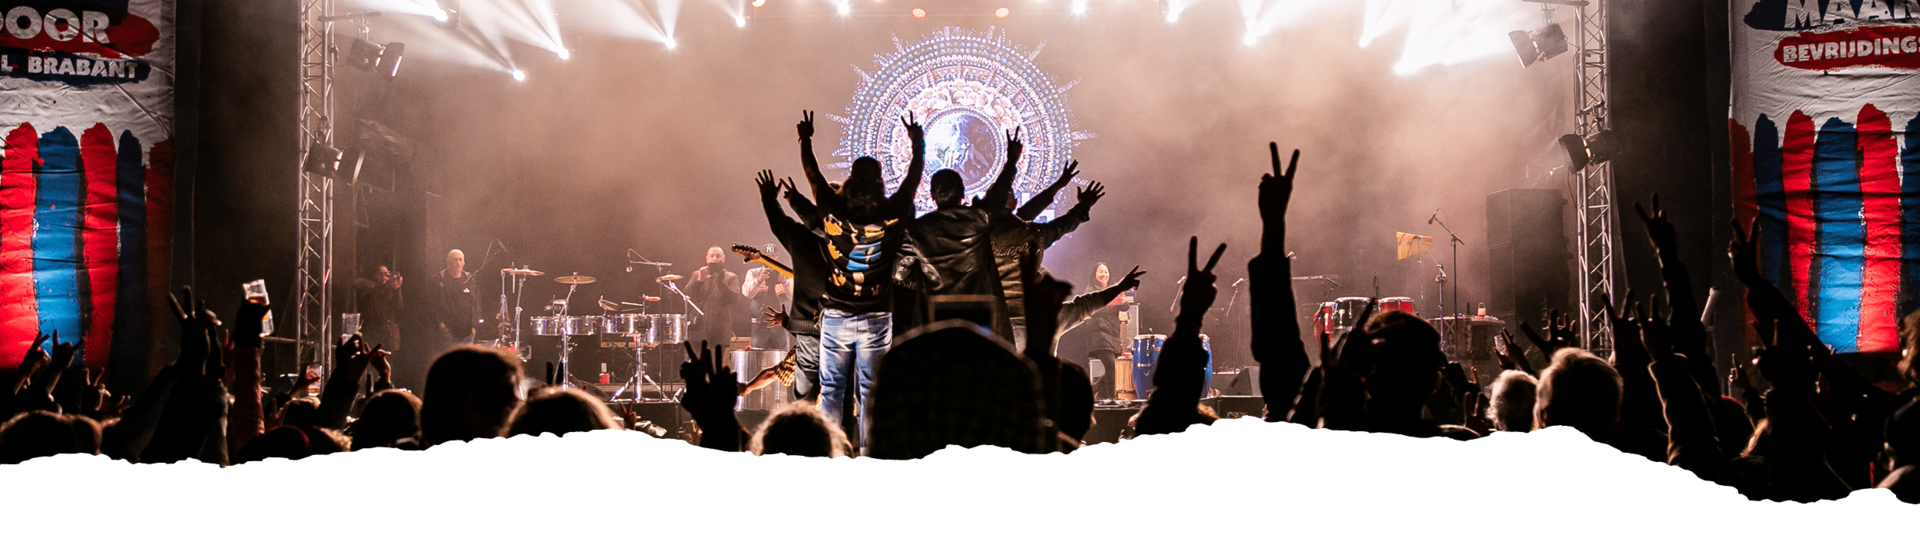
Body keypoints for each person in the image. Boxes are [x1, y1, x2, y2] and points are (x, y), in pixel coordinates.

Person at [798, 110, 925, 447]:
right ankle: (871, 452)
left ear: (851, 179)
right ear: (880, 181)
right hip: (877, 316)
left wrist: (806, 140)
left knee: (831, 390)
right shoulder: (893, 212)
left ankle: (829, 452)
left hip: (837, 315)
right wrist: (918, 144)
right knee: (870, 392)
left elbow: (812, 175)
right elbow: (913, 180)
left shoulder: (832, 210)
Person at [1080, 262, 1130, 398]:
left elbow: (1125, 307)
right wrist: (1112, 302)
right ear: (1095, 274)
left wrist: (1123, 302)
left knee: (1114, 368)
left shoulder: (1113, 289)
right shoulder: (1090, 291)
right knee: (1112, 367)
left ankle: (1094, 388)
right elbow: (1096, 309)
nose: (1104, 275)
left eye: (1106, 272)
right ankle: (1112, 399)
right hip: (1098, 334)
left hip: (1112, 334)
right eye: (1100, 272)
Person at [684, 246, 743, 346]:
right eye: (711, 256)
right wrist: (699, 281)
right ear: (707, 259)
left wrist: (721, 282)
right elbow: (686, 294)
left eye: (718, 256)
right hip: (698, 330)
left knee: (715, 361)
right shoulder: (697, 274)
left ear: (723, 258)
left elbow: (734, 299)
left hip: (719, 332)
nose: (714, 258)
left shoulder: (731, 277)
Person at [742, 243, 792, 350]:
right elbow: (746, 293)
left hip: (780, 323)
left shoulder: (786, 272)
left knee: (781, 358)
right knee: (757, 357)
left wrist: (784, 281)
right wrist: (759, 280)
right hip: (760, 324)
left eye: (773, 256)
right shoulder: (753, 273)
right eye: (767, 256)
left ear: (777, 257)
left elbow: (794, 296)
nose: (770, 259)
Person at [352, 264, 404, 352]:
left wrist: (397, 290)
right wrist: (383, 285)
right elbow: (357, 284)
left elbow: (399, 306)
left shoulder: (389, 290)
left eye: (387, 274)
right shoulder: (368, 285)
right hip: (372, 332)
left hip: (387, 335)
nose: (385, 276)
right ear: (374, 275)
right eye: (381, 274)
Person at [435, 250, 479, 347]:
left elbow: (477, 303)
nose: (458, 263)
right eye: (455, 260)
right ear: (448, 261)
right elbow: (432, 305)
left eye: (460, 260)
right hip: (447, 332)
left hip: (467, 333)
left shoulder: (470, 279)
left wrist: (474, 325)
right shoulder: (439, 279)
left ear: (464, 263)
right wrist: (440, 324)